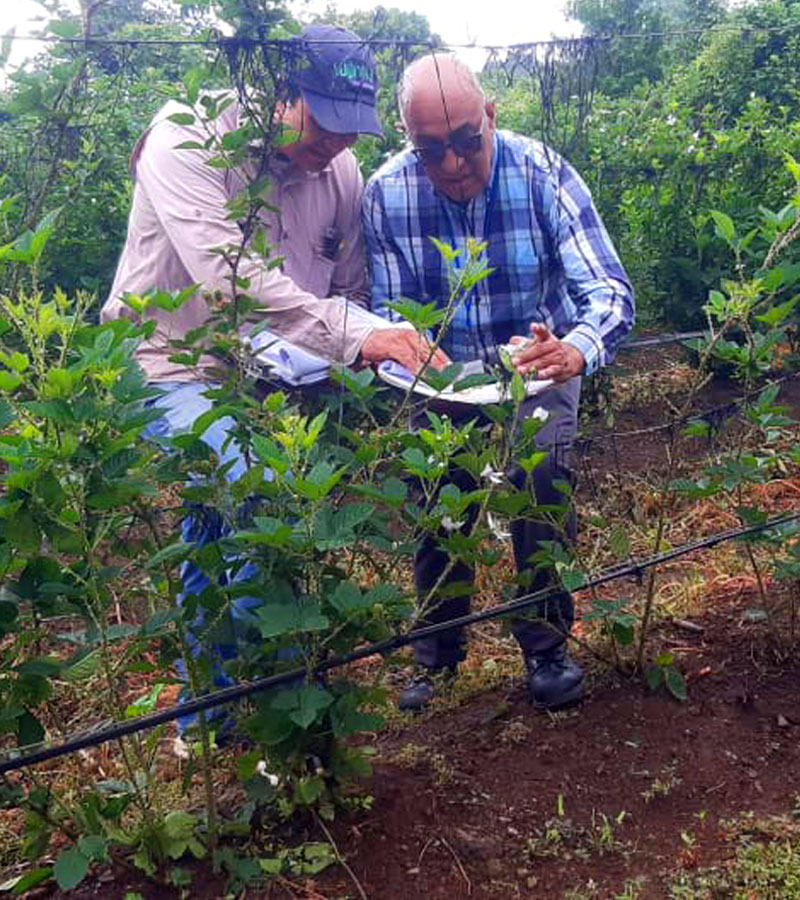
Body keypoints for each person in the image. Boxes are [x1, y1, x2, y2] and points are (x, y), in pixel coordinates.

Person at [101, 25, 446, 745]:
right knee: (251, 489)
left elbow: (345, 289)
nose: (339, 144)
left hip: (273, 375)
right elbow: (233, 286)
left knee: (216, 524)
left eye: (355, 129)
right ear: (279, 93)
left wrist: (387, 348)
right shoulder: (186, 139)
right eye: (325, 122)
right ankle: (280, 721)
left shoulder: (341, 173)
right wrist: (356, 335)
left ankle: (207, 718)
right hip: (172, 363)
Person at [362, 53, 634, 711]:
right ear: (409, 140)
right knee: (438, 491)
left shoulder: (543, 172)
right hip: (441, 381)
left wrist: (573, 349)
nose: (452, 163)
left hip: (538, 371)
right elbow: (391, 316)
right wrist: (413, 358)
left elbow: (607, 290)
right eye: (431, 149)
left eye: (464, 142)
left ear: (491, 116)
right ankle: (438, 655)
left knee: (539, 480)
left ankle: (545, 648)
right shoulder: (387, 193)